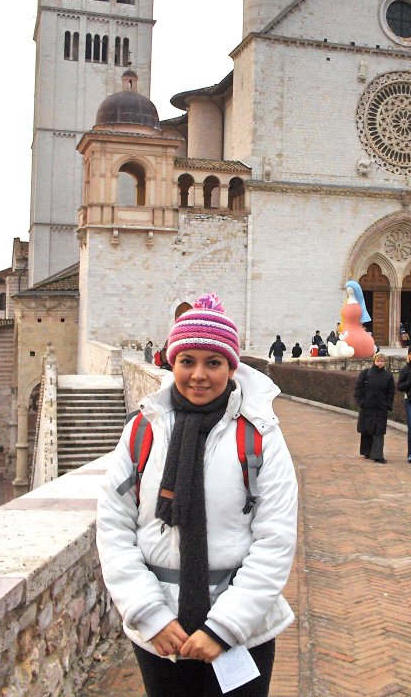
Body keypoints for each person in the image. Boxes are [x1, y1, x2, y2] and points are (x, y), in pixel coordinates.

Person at [96, 294, 298, 697]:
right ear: (172, 363)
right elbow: (114, 525)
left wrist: (224, 628)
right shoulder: (141, 432)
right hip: (161, 633)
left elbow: (275, 539)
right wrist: (150, 615)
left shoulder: (260, 437)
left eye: (214, 362)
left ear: (231, 366)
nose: (199, 375)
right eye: (188, 361)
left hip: (243, 631)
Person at [354, 353, 395, 464]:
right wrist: (362, 402)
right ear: (374, 361)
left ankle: (378, 455)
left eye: (382, 361)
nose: (380, 363)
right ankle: (367, 451)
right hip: (368, 406)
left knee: (379, 431)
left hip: (381, 407)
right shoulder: (366, 373)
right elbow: (358, 389)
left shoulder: (388, 375)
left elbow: (391, 391)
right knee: (367, 429)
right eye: (378, 361)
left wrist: (387, 404)